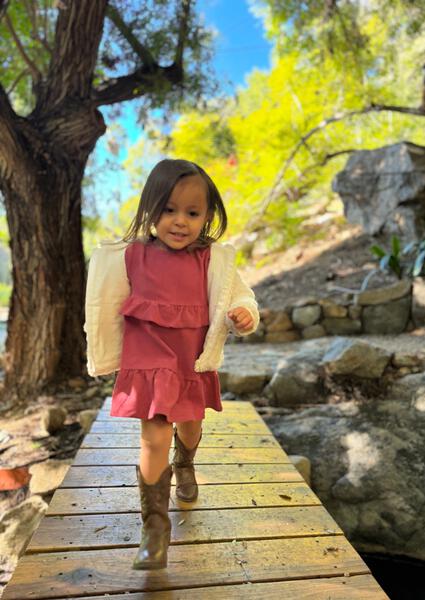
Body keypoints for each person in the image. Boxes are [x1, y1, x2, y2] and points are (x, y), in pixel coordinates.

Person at [83, 158, 260, 570]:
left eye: (193, 213)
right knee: (153, 437)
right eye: (169, 210)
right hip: (147, 362)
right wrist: (104, 353)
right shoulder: (130, 256)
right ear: (151, 207)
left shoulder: (212, 259)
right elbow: (102, 304)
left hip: (191, 362)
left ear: (207, 216)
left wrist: (243, 313)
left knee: (190, 425)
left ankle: (185, 463)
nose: (180, 221)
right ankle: (155, 528)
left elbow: (240, 295)